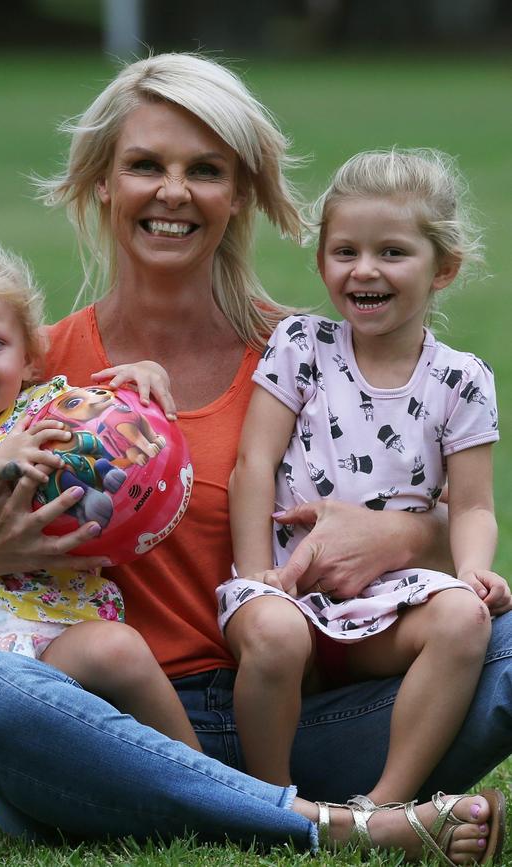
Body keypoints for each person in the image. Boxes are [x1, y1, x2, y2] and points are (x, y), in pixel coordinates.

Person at [0, 54, 509, 864]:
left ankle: (277, 805)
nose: (173, 191)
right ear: (103, 182)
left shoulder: (311, 354)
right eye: (144, 165)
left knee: (500, 633)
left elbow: (461, 526)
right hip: (106, 732)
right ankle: (339, 827)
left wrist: (404, 537)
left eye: (205, 169)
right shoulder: (35, 373)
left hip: (297, 718)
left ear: (238, 192)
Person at [219, 148, 511, 801]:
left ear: (444, 268)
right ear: (322, 260)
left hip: (388, 602)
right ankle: (273, 804)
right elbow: (252, 464)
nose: (365, 269)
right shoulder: (301, 346)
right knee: (272, 628)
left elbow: (470, 506)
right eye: (344, 251)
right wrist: (254, 576)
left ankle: (386, 801)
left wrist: (471, 569)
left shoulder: (460, 380)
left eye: (392, 252)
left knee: (466, 619)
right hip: (286, 588)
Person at [0, 237, 201, 751]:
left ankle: (212, 784)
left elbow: (116, 425)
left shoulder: (49, 408)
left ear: (29, 359)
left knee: (119, 650)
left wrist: (146, 375)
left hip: (78, 631)